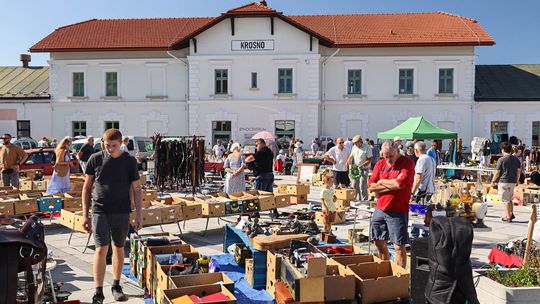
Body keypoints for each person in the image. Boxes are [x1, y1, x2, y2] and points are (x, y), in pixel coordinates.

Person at [82, 129, 142, 304]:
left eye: (113, 146)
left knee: (119, 247)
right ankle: (98, 292)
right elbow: (86, 187)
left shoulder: (129, 161)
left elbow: (137, 188)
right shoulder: (96, 159)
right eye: (106, 145)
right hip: (100, 210)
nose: (109, 149)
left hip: (122, 211)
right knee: (101, 249)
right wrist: (85, 215)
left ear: (121, 143)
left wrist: (139, 214)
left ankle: (116, 286)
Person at [368, 140, 415, 268]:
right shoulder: (380, 163)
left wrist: (381, 182)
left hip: (398, 210)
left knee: (398, 246)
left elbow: (399, 184)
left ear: (398, 151)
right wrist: (389, 184)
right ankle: (385, 270)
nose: (388, 159)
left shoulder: (407, 163)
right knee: (378, 241)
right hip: (380, 208)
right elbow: (371, 186)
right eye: (385, 156)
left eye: (391, 156)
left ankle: (399, 277)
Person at [410, 141, 436, 238]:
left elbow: (418, 177)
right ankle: (425, 236)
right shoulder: (431, 159)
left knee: (417, 215)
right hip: (430, 189)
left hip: (422, 191)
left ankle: (415, 237)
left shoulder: (421, 159)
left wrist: (412, 192)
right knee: (426, 215)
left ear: (416, 150)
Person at [491, 142, 521, 222]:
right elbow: (518, 171)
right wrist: (517, 180)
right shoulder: (516, 159)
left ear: (503, 149)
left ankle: (507, 216)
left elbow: (497, 172)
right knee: (509, 198)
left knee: (505, 199)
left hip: (504, 181)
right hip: (513, 181)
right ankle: (510, 214)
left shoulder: (501, 159)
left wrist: (493, 181)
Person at [347, 135, 372, 201]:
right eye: (354, 143)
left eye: (356, 143)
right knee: (355, 184)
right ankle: (356, 199)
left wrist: (362, 165)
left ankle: (364, 200)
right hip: (355, 169)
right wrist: (348, 161)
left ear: (360, 141)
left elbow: (369, 159)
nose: (355, 144)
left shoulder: (367, 147)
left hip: (364, 168)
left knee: (362, 185)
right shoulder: (354, 147)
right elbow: (351, 156)